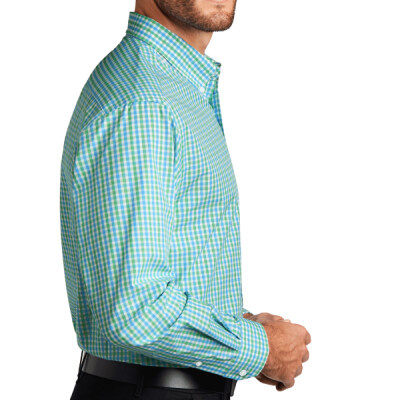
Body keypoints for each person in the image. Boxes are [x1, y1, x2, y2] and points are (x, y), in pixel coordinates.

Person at [60, 1, 311, 399]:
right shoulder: (145, 104)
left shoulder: (172, 87)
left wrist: (237, 326)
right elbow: (136, 310)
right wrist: (260, 349)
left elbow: (173, 265)